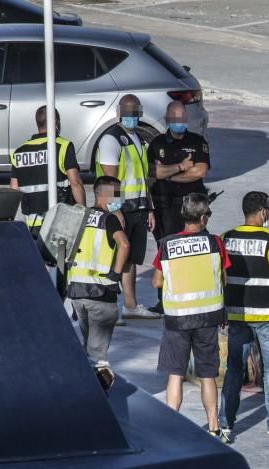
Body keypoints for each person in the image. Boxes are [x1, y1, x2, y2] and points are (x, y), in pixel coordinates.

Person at [219, 192, 269, 442]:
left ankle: (225, 422)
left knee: (234, 370)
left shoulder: (226, 238)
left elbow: (219, 275)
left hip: (237, 314)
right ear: (263, 212)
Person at [152, 193, 230, 440]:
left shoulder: (166, 244)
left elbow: (156, 280)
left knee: (175, 374)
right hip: (208, 318)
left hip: (177, 319)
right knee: (208, 374)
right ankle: (214, 427)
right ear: (204, 218)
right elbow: (223, 279)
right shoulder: (216, 243)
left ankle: (169, 426)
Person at [97, 94, 160, 321]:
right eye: (127, 113)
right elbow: (108, 179)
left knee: (131, 258)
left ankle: (130, 306)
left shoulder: (137, 139)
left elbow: (143, 178)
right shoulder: (111, 140)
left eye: (135, 113)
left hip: (138, 207)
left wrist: (149, 208)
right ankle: (109, 307)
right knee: (115, 257)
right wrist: (115, 210)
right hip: (120, 209)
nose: (131, 117)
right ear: (118, 113)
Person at [10, 106, 85, 296]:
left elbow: (13, 189)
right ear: (56, 122)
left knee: (40, 266)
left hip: (32, 221)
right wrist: (84, 212)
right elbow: (75, 182)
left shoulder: (19, 152)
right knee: (62, 268)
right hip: (59, 221)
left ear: (38, 123)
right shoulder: (62, 145)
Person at [66, 176, 130, 390]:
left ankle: (85, 390)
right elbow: (124, 245)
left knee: (88, 350)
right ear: (104, 194)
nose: (120, 198)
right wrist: (115, 274)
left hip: (77, 293)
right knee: (99, 358)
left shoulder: (79, 217)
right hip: (101, 293)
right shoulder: (108, 219)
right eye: (118, 193)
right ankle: (101, 397)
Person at [147, 100, 211, 314]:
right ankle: (164, 299)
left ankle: (194, 294)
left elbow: (200, 171)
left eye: (183, 118)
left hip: (191, 205)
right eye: (176, 119)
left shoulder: (197, 141)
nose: (180, 123)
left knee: (195, 249)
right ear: (168, 120)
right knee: (165, 251)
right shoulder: (157, 144)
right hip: (164, 207)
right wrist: (181, 167)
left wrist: (169, 174)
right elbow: (152, 173)